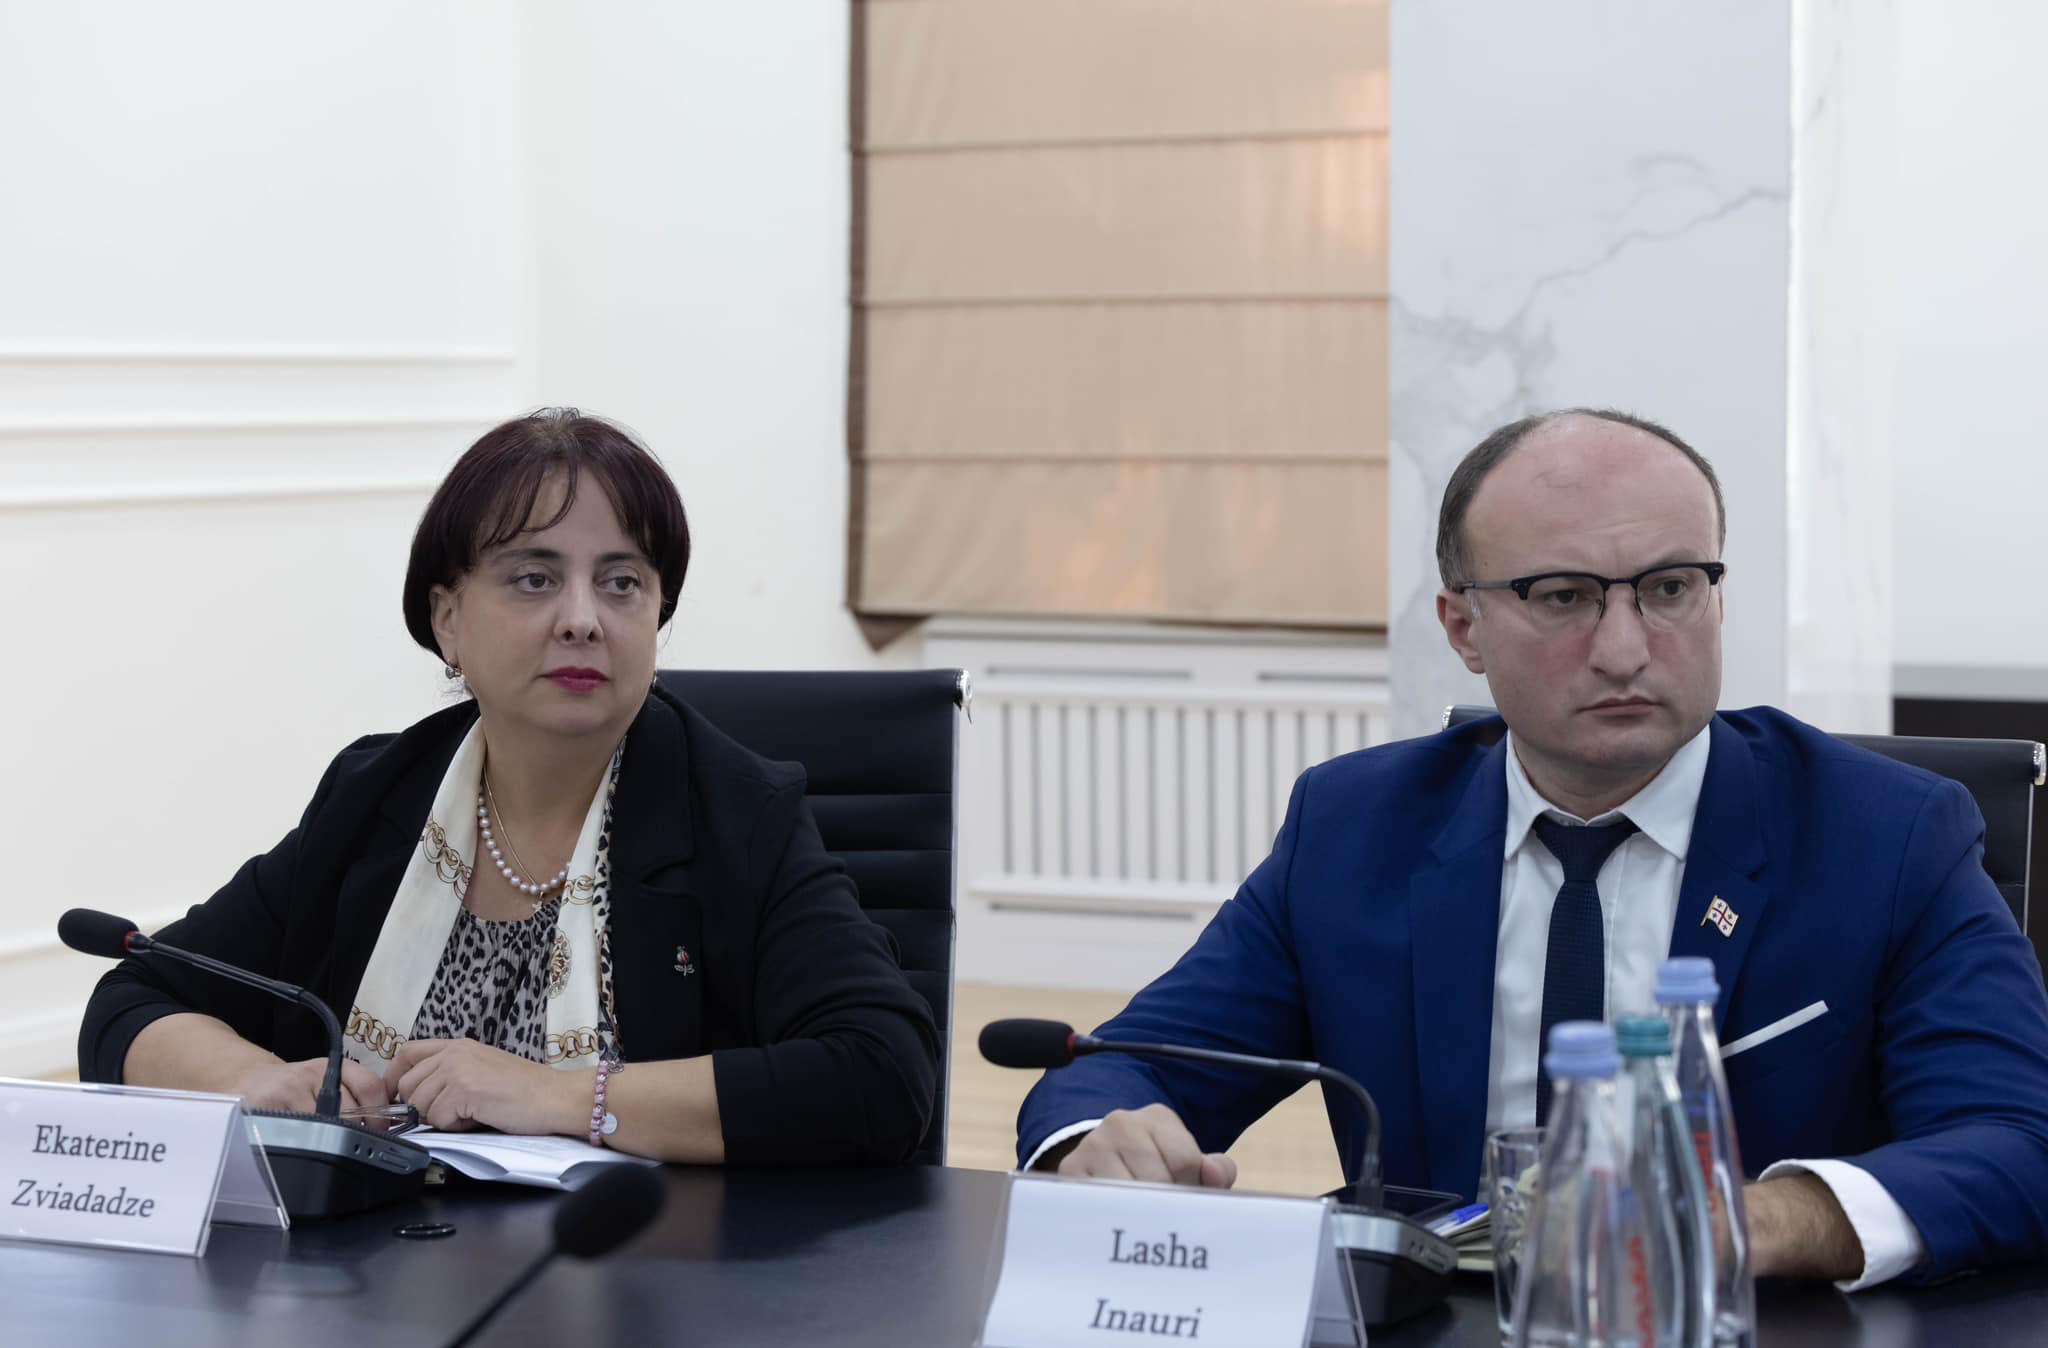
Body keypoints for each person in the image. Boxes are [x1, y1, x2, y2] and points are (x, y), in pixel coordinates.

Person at [1015, 409, 2048, 1285]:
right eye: (1562, 597)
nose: (1625, 649)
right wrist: (1098, 1143)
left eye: (1670, 587)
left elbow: (2018, 1141)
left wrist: (1752, 1221)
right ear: (1462, 628)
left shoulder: (1887, 835)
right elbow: (1124, 1068)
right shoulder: (1355, 827)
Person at [80, 408, 939, 1166]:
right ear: (448, 620)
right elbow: (135, 998)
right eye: (535, 578)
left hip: (642, 1267)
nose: (582, 618)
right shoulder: (377, 797)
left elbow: (884, 1073)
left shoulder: (735, 814)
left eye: (622, 583)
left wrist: (563, 1098)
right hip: (375, 1263)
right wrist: (254, 1078)